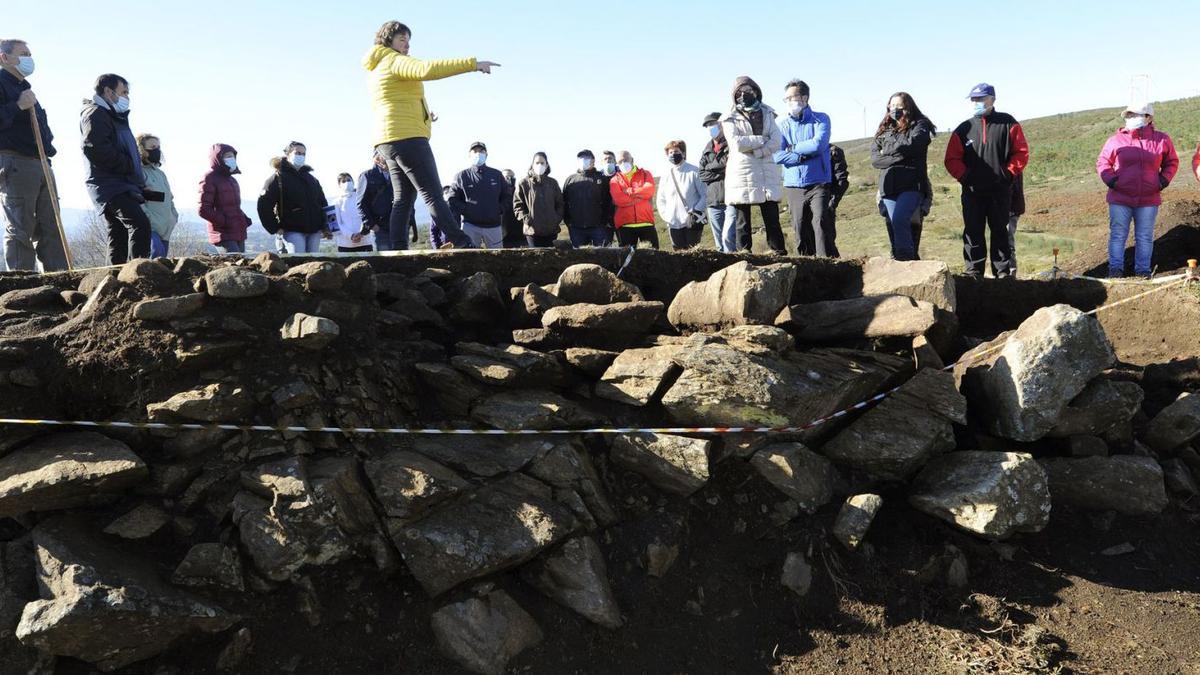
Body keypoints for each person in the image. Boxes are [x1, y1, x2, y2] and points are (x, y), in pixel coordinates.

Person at [363, 21, 499, 250]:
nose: (406, 45)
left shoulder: (378, 66)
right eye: (401, 39)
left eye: (408, 40)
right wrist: (473, 64)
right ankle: (462, 242)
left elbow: (395, 100)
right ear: (388, 40)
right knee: (432, 194)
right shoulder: (394, 60)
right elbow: (427, 69)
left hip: (387, 139)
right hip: (408, 138)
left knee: (403, 198)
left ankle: (397, 250)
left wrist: (425, 114)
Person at [944, 83, 1029, 278]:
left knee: (1000, 232)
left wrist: (1007, 173)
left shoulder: (1008, 123)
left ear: (992, 99)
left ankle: (1003, 273)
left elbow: (1021, 153)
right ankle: (973, 272)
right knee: (973, 231)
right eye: (974, 99)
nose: (977, 103)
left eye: (981, 99)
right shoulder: (963, 129)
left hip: (1000, 191)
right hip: (972, 192)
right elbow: (951, 159)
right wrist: (966, 177)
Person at [0, 38, 67, 271]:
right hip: (15, 162)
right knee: (21, 227)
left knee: (51, 225)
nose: (29, 59)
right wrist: (17, 106)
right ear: (4, 58)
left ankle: (57, 278)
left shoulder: (26, 88)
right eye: (23, 54)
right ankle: (22, 285)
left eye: (30, 54)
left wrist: (48, 152)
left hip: (40, 161)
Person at [1096, 102, 1179, 278]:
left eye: (1135, 115)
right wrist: (1113, 182)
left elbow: (1172, 162)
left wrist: (1162, 181)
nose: (1131, 118)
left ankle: (1143, 271)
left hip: (1149, 198)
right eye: (1129, 115)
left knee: (1145, 236)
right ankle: (1115, 270)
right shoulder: (1115, 140)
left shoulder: (1162, 139)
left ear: (1149, 117)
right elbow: (1103, 162)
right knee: (1118, 235)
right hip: (1120, 197)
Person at [81, 73, 151, 264]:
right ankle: (139, 275)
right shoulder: (96, 114)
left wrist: (137, 181)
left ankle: (115, 278)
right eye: (124, 92)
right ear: (108, 91)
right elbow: (96, 149)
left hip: (119, 183)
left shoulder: (113, 116)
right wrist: (128, 166)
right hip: (110, 185)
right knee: (139, 224)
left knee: (118, 233)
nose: (127, 97)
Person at [721, 76, 785, 254]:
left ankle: (778, 250)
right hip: (742, 172)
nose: (744, 95)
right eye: (739, 93)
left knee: (771, 215)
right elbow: (737, 144)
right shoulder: (728, 118)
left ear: (756, 92)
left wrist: (757, 151)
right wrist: (761, 140)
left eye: (748, 91)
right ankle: (744, 252)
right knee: (742, 218)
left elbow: (776, 140)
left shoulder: (768, 113)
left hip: (766, 171)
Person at [774, 79, 836, 257]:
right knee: (800, 228)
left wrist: (792, 148)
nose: (788, 102)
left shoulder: (821, 119)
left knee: (820, 223)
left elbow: (818, 144)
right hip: (793, 184)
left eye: (791, 97)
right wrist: (800, 155)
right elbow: (777, 155)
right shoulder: (782, 125)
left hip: (819, 182)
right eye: (785, 99)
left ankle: (827, 263)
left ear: (804, 98)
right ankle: (806, 264)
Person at [872, 92, 936, 261]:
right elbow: (875, 159)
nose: (894, 109)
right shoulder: (884, 130)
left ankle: (906, 263)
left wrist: (888, 152)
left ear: (908, 107)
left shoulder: (920, 125)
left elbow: (914, 145)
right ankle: (903, 263)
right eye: (891, 106)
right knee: (894, 227)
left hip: (912, 186)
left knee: (901, 220)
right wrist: (900, 153)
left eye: (898, 105)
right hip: (889, 187)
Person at [257, 141, 330, 254]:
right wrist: (275, 228)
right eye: (297, 153)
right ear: (288, 154)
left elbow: (322, 204)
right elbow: (264, 205)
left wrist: (326, 226)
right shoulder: (278, 178)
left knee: (314, 263)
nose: (300, 156)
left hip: (314, 231)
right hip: (292, 230)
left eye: (303, 154)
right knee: (298, 262)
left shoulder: (312, 180)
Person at [448, 141, 506, 248]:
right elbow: (452, 199)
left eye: (481, 151)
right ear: (469, 155)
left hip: (494, 226)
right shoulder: (461, 176)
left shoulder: (497, 174)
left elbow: (507, 197)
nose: (478, 154)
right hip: (470, 226)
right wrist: (467, 210)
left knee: (497, 260)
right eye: (475, 151)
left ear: (486, 155)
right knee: (469, 259)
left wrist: (498, 209)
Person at [199, 143, 251, 254]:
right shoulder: (209, 178)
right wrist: (225, 221)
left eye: (232, 156)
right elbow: (203, 209)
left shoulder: (232, 180)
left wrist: (244, 219)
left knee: (241, 266)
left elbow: (233, 206)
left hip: (238, 231)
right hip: (222, 233)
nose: (231, 159)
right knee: (234, 264)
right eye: (227, 156)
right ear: (217, 158)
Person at [656, 140, 706, 250]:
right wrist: (667, 216)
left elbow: (705, 195)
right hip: (673, 224)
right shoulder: (665, 176)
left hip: (692, 222)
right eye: (670, 152)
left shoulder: (694, 171)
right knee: (678, 256)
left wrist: (695, 211)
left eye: (676, 151)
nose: (673, 154)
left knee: (693, 255)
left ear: (683, 153)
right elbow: (661, 199)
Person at [801, 143, 850, 255]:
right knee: (808, 240)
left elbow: (842, 181)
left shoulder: (834, 152)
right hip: (805, 200)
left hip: (826, 201)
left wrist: (832, 203)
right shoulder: (802, 151)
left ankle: (833, 268)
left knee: (826, 240)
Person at [699, 112, 736, 253]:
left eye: (713, 124)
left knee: (729, 239)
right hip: (713, 202)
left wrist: (711, 168)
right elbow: (702, 174)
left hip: (731, 199)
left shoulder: (732, 144)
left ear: (722, 124)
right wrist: (720, 170)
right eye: (708, 125)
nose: (710, 127)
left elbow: (730, 165)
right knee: (719, 244)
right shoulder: (706, 150)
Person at [135, 134, 177, 258]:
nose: (157, 150)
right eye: (153, 147)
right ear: (142, 150)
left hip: (166, 229)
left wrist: (173, 216)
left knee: (163, 264)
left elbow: (169, 198)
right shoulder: (138, 173)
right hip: (151, 229)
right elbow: (137, 198)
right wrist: (148, 219)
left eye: (158, 147)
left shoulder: (161, 174)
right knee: (155, 259)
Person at [513, 152, 564, 247]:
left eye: (542, 163)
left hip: (551, 230)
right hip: (532, 231)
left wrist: (556, 219)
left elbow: (560, 204)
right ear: (532, 165)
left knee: (552, 259)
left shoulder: (553, 183)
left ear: (546, 165)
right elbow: (518, 206)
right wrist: (527, 220)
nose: (539, 165)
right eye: (537, 163)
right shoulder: (523, 183)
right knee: (536, 259)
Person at [562, 149, 611, 247]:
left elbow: (608, 201)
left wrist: (604, 221)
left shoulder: (601, 178)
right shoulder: (570, 180)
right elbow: (564, 203)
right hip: (576, 228)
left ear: (593, 160)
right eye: (581, 158)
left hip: (598, 227)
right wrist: (569, 222)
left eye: (586, 158)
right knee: (580, 258)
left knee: (602, 256)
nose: (583, 160)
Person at [609, 150, 658, 249]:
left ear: (632, 160)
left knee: (653, 258)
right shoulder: (614, 180)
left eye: (626, 160)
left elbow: (649, 190)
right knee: (628, 261)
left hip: (646, 222)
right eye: (620, 162)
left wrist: (629, 191)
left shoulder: (645, 174)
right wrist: (640, 197)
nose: (623, 163)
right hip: (625, 226)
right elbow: (619, 200)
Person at [356, 151, 396, 251]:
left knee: (403, 259)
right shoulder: (367, 176)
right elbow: (361, 204)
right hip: (380, 227)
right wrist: (372, 224)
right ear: (377, 159)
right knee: (385, 261)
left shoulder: (397, 175)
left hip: (398, 225)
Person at [334, 173, 373, 253]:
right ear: (339, 185)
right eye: (343, 181)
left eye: (349, 180)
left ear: (353, 181)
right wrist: (351, 235)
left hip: (364, 242)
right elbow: (337, 224)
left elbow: (366, 217)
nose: (347, 183)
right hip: (345, 244)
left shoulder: (362, 197)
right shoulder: (336, 202)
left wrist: (362, 233)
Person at [500, 169, 524, 248]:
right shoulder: (496, 194)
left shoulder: (520, 193)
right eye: (506, 177)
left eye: (511, 177)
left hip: (521, 237)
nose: (509, 179)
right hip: (503, 237)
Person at [1008, 173, 1025, 276]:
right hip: (1010, 207)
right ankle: (1008, 272)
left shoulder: (1012, 164)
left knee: (1007, 240)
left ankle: (1010, 273)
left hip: (1011, 208)